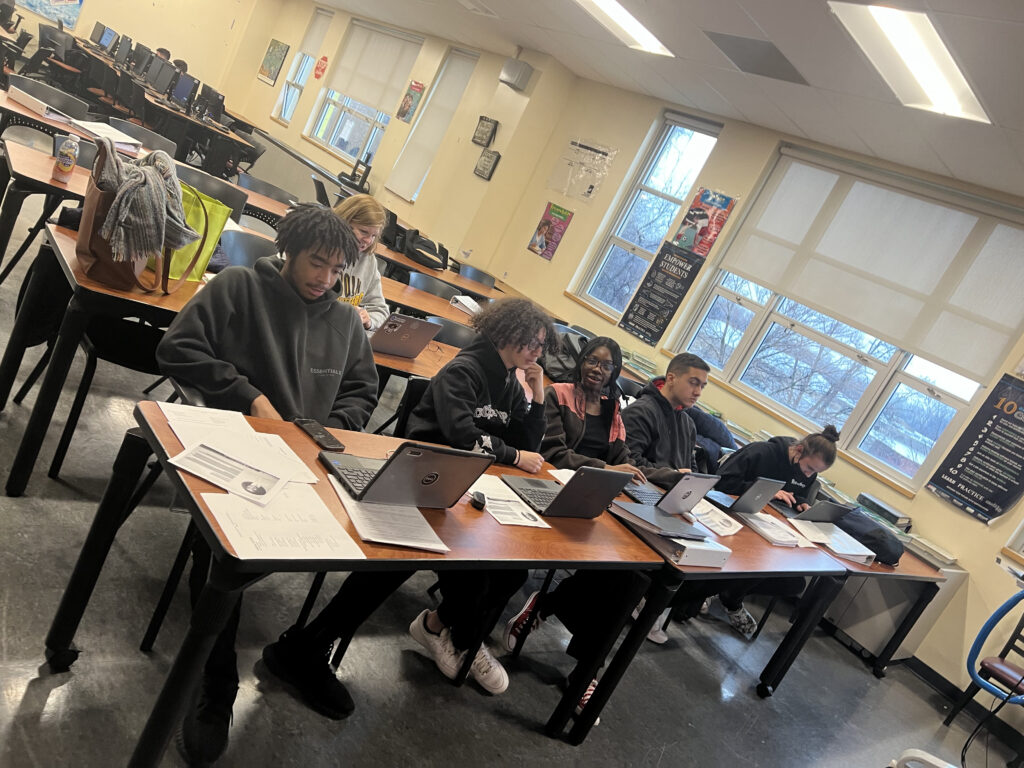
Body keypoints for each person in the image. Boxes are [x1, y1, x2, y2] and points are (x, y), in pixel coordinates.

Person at [260, 297, 558, 721]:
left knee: (512, 570)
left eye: (542, 345)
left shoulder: (509, 382)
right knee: (412, 565)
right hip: (420, 483)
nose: (538, 353)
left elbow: (529, 442)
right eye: (534, 342)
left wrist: (538, 394)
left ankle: (449, 631)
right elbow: (462, 436)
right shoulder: (466, 370)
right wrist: (511, 455)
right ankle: (311, 647)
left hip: (461, 492)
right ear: (508, 333)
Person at [156, 204, 379, 766]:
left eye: (336, 270)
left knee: (382, 545)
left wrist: (336, 428)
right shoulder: (238, 288)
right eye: (316, 263)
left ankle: (303, 653)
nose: (324, 279)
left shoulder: (346, 322)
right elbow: (176, 348)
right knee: (225, 554)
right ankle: (218, 680)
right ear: (291, 252)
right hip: (234, 450)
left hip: (308, 462)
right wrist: (249, 396)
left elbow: (361, 391)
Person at [504, 336, 650, 718]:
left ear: (614, 372)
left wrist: (642, 474)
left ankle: (585, 669)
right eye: (592, 361)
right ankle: (548, 607)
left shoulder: (612, 408)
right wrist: (605, 469)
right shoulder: (558, 395)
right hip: (554, 490)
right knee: (615, 575)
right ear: (581, 361)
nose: (597, 369)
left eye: (606, 365)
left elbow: (623, 457)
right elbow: (553, 453)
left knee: (631, 576)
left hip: (597, 499)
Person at [672, 427, 842, 640]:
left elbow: (797, 494)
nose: (808, 475)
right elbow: (722, 482)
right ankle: (722, 595)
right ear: (798, 450)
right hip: (728, 516)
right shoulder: (761, 452)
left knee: (793, 582)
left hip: (764, 526)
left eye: (815, 473)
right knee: (749, 563)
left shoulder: (807, 471)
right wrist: (766, 490)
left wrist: (802, 503)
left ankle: (730, 594)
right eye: (808, 468)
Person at [621, 352, 709, 488]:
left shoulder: (688, 423)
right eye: (693, 383)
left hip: (670, 492)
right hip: (641, 487)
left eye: (702, 386)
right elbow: (629, 464)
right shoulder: (640, 412)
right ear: (671, 378)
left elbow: (691, 467)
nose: (698, 392)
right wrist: (673, 475)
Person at [332, 195, 390, 331]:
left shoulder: (368, 260)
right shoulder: (319, 250)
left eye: (374, 235)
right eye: (364, 231)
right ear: (344, 222)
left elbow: (380, 310)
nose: (369, 240)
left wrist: (368, 320)